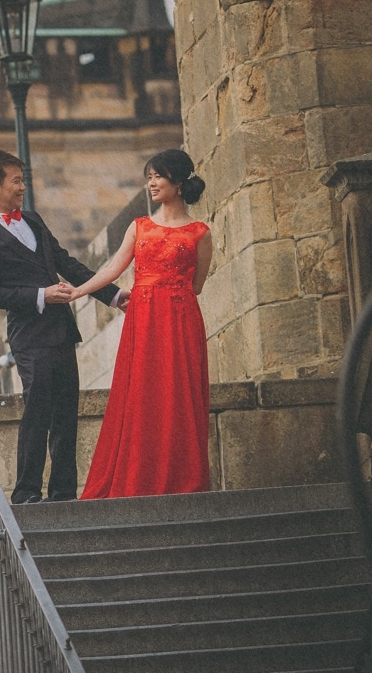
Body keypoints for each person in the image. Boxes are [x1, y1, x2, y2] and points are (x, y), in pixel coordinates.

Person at [0, 150, 127, 504]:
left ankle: (64, 494)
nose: (23, 186)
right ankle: (25, 494)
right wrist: (40, 295)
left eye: (23, 179)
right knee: (37, 411)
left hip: (62, 330)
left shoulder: (33, 220)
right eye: (16, 180)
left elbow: (66, 262)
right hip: (29, 337)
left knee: (67, 413)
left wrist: (113, 296)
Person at [71, 148, 213, 498]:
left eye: (158, 176)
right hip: (144, 320)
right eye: (148, 177)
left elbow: (197, 285)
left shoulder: (200, 233)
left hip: (180, 321)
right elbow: (112, 270)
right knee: (141, 396)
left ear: (178, 182)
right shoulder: (140, 227)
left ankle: (181, 481)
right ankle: (139, 479)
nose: (151, 183)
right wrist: (77, 292)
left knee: (178, 396)